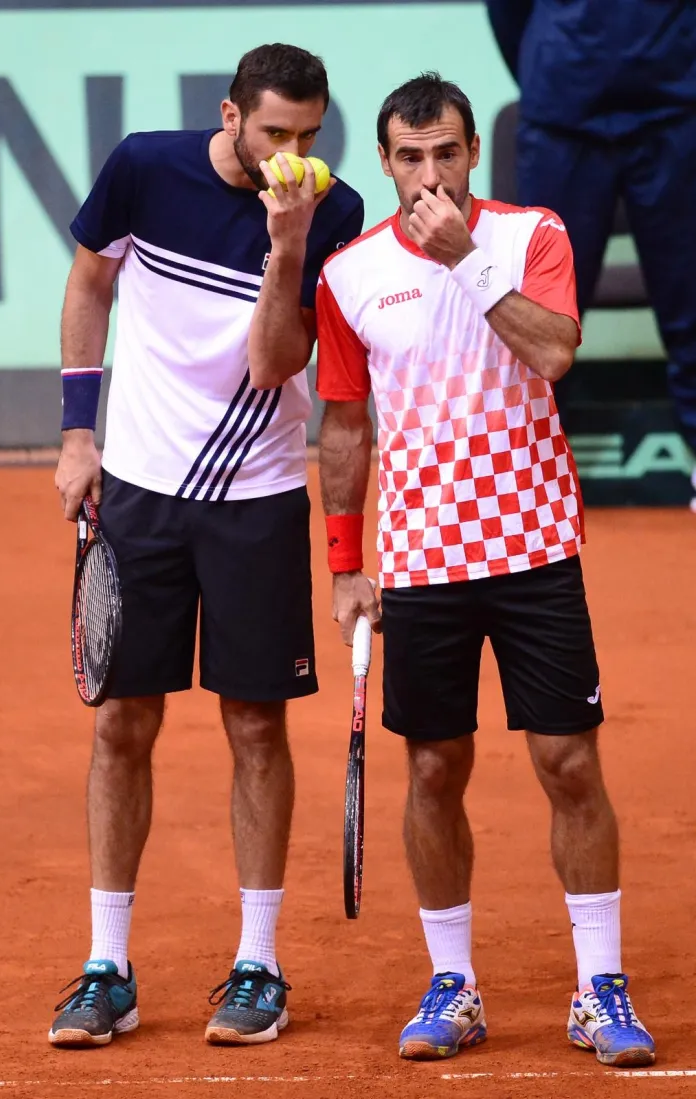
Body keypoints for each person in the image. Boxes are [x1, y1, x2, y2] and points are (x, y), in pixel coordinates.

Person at [316, 73, 655, 1068]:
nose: (431, 173)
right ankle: (452, 985)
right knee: (432, 767)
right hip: (420, 561)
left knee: (568, 763)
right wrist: (345, 563)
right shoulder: (347, 274)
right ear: (384, 161)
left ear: (473, 154)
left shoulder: (529, 235)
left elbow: (552, 354)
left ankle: (599, 986)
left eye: (447, 153)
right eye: (410, 156)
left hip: (535, 549)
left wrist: (465, 260)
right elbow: (344, 429)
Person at [50, 42, 363, 1049]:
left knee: (255, 728)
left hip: (257, 499)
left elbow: (274, 365)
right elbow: (91, 283)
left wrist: (287, 241)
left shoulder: (331, 212)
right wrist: (76, 431)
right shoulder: (145, 166)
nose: (293, 153)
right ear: (230, 115)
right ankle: (107, 964)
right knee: (121, 725)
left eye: (310, 137)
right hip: (138, 491)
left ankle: (258, 961)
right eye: (275, 132)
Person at [486, 0, 696, 504]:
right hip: (562, 113)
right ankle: (527, 472)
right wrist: (550, 73)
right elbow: (506, 10)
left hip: (675, 107)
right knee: (536, 306)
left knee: (691, 297)